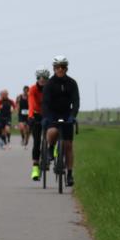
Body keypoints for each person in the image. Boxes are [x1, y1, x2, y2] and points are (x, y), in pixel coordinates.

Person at [42, 55, 80, 187]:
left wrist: (73, 115)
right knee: (52, 131)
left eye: (63, 67)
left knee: (68, 145)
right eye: (57, 67)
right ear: (54, 68)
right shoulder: (49, 84)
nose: (60, 69)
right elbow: (45, 103)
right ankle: (51, 148)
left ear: (66, 68)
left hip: (67, 114)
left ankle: (69, 174)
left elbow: (76, 102)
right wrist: (46, 117)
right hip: (52, 113)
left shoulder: (72, 83)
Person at [27, 67, 49, 180]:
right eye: (40, 77)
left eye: (44, 77)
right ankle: (35, 168)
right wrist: (30, 116)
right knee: (37, 142)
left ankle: (52, 152)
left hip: (49, 114)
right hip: (36, 115)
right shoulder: (33, 89)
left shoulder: (50, 88)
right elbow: (31, 103)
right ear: (37, 78)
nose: (42, 79)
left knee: (52, 134)